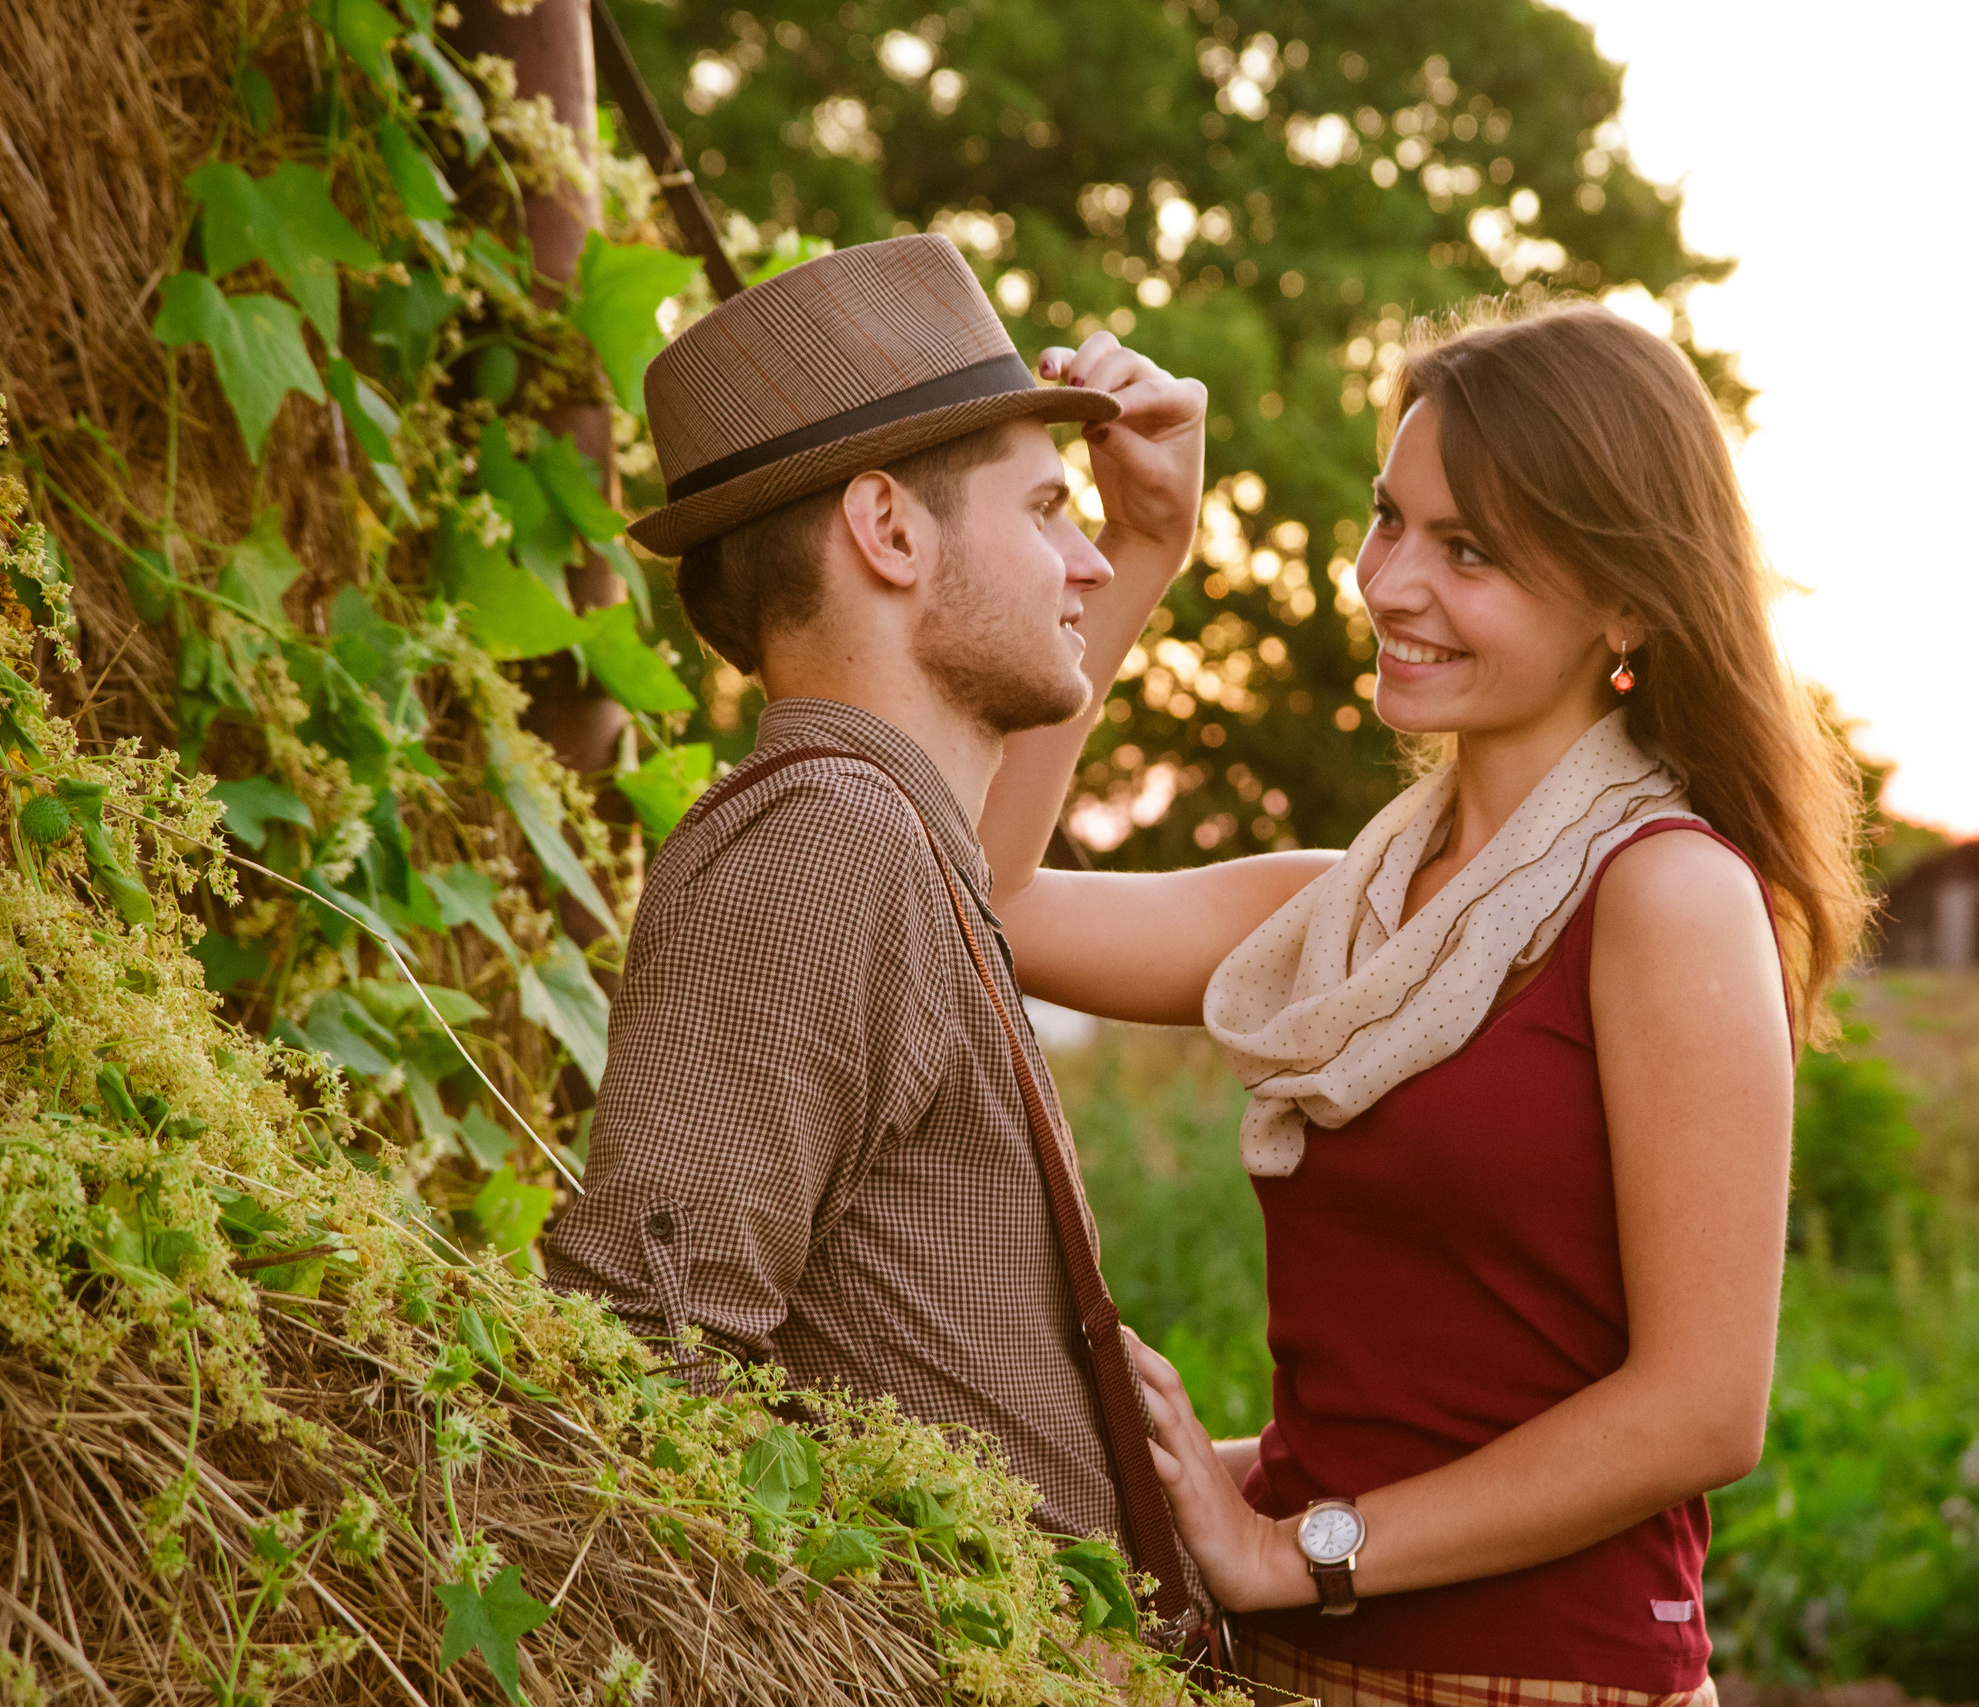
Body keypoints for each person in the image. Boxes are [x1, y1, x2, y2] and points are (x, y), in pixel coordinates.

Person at [979, 300, 1868, 1700]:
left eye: (1471, 552)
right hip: (1276, 1664)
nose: (1390, 582)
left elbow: (1702, 1410)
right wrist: (1140, 551)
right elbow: (985, 896)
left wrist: (1295, 1551)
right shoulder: (1344, 911)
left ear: (1626, 602)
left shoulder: (1664, 895)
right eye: (1392, 520)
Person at [542, 234, 1214, 1637]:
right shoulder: (828, 847)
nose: (1085, 562)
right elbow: (634, 1374)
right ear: (889, 531)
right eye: (1047, 510)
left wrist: (1156, 543)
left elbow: (997, 867)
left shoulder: (896, 846)